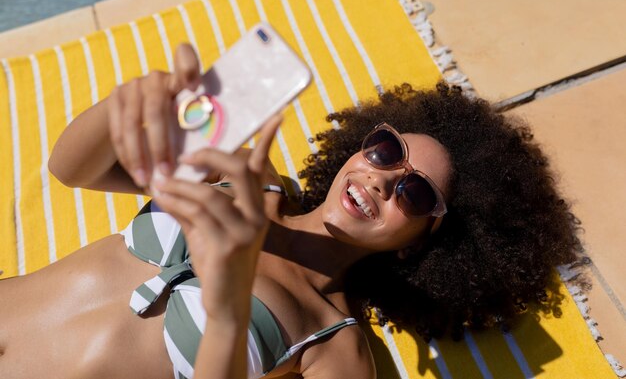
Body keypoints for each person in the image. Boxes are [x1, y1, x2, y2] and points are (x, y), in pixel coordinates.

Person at [0, 44, 584, 379]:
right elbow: (73, 170)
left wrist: (229, 314)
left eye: (415, 193)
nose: (382, 180)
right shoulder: (249, 178)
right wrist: (131, 99)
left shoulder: (334, 347)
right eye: (386, 151)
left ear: (424, 242)